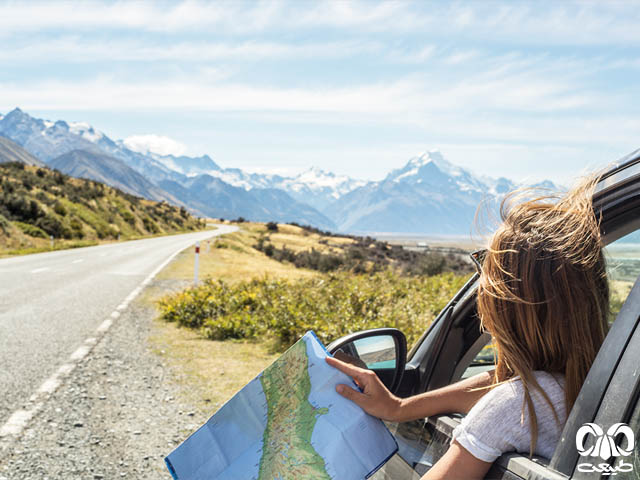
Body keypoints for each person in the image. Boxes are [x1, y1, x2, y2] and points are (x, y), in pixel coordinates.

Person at [326, 175, 610, 480]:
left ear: (502, 308)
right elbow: (498, 384)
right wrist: (398, 408)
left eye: (485, 281)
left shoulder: (515, 406)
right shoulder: (598, 386)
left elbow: (508, 396)